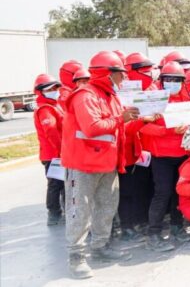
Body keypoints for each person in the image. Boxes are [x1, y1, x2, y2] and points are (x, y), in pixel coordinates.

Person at [61, 51, 137, 279]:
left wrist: (139, 121)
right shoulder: (85, 96)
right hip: (83, 165)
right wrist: (120, 119)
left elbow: (118, 129)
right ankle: (76, 256)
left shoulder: (109, 96)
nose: (123, 79)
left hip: (107, 163)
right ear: (107, 74)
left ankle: (100, 247)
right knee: (80, 211)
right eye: (120, 74)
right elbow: (92, 127)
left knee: (107, 206)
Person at [142, 61, 190, 251]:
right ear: (162, 80)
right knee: (162, 193)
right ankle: (154, 233)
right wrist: (169, 130)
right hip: (162, 156)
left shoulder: (188, 98)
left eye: (177, 80)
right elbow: (143, 127)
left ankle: (177, 227)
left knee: (179, 192)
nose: (173, 83)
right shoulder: (152, 99)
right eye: (169, 79)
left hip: (183, 153)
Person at [119, 53, 160, 242]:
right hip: (124, 151)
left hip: (145, 150)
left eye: (150, 69)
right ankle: (126, 225)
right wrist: (143, 120)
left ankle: (142, 220)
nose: (149, 73)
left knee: (144, 186)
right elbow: (124, 127)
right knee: (126, 190)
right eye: (144, 70)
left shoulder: (152, 89)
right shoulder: (121, 95)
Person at [32, 74, 65, 226]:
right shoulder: (46, 109)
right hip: (54, 154)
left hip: (56, 153)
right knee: (55, 184)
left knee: (62, 183)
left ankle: (62, 211)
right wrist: (61, 151)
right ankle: (54, 214)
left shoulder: (53, 105)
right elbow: (51, 131)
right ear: (41, 92)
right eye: (49, 89)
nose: (54, 90)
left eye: (55, 87)